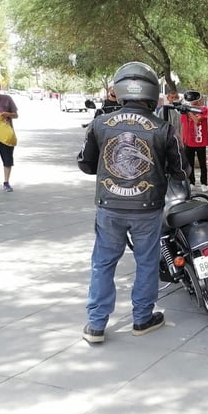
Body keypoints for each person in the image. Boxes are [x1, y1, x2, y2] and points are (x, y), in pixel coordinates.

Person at [77, 61, 190, 343]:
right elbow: (182, 170)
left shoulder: (99, 123)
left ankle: (96, 325)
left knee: (103, 263)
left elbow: (86, 164)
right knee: (147, 263)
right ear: (152, 92)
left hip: (109, 205)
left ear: (120, 90)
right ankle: (142, 318)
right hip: (148, 208)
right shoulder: (163, 128)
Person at [181, 93, 208, 192]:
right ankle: (191, 182)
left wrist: (189, 112)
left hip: (200, 140)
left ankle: (204, 183)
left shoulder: (203, 109)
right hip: (188, 141)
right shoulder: (185, 111)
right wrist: (182, 139)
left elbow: (197, 121)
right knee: (189, 163)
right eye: (190, 99)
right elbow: (183, 125)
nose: (192, 101)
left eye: (194, 99)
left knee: (203, 163)